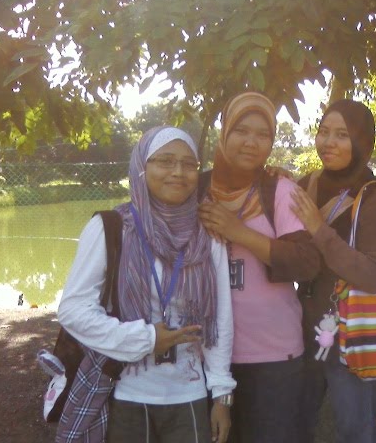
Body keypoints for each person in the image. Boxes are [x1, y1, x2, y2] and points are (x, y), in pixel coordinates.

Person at [58, 126, 235, 442]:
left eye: (188, 164)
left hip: (189, 395)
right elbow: (73, 310)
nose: (177, 171)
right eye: (165, 161)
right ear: (142, 166)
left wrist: (221, 395)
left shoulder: (208, 235)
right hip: (124, 393)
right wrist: (145, 339)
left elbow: (219, 320)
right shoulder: (111, 228)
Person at [197, 92, 320, 443]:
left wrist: (239, 232)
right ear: (224, 132)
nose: (251, 142)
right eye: (241, 130)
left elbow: (307, 262)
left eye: (263, 134)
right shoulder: (196, 190)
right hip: (205, 355)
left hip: (274, 358)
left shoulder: (279, 191)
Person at [290, 99, 376, 443]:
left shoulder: (375, 198)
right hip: (302, 328)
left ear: (361, 142)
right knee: (295, 422)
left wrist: (319, 229)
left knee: (356, 429)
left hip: (351, 334)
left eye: (342, 134)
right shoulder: (307, 184)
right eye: (324, 132)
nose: (328, 142)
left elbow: (373, 275)